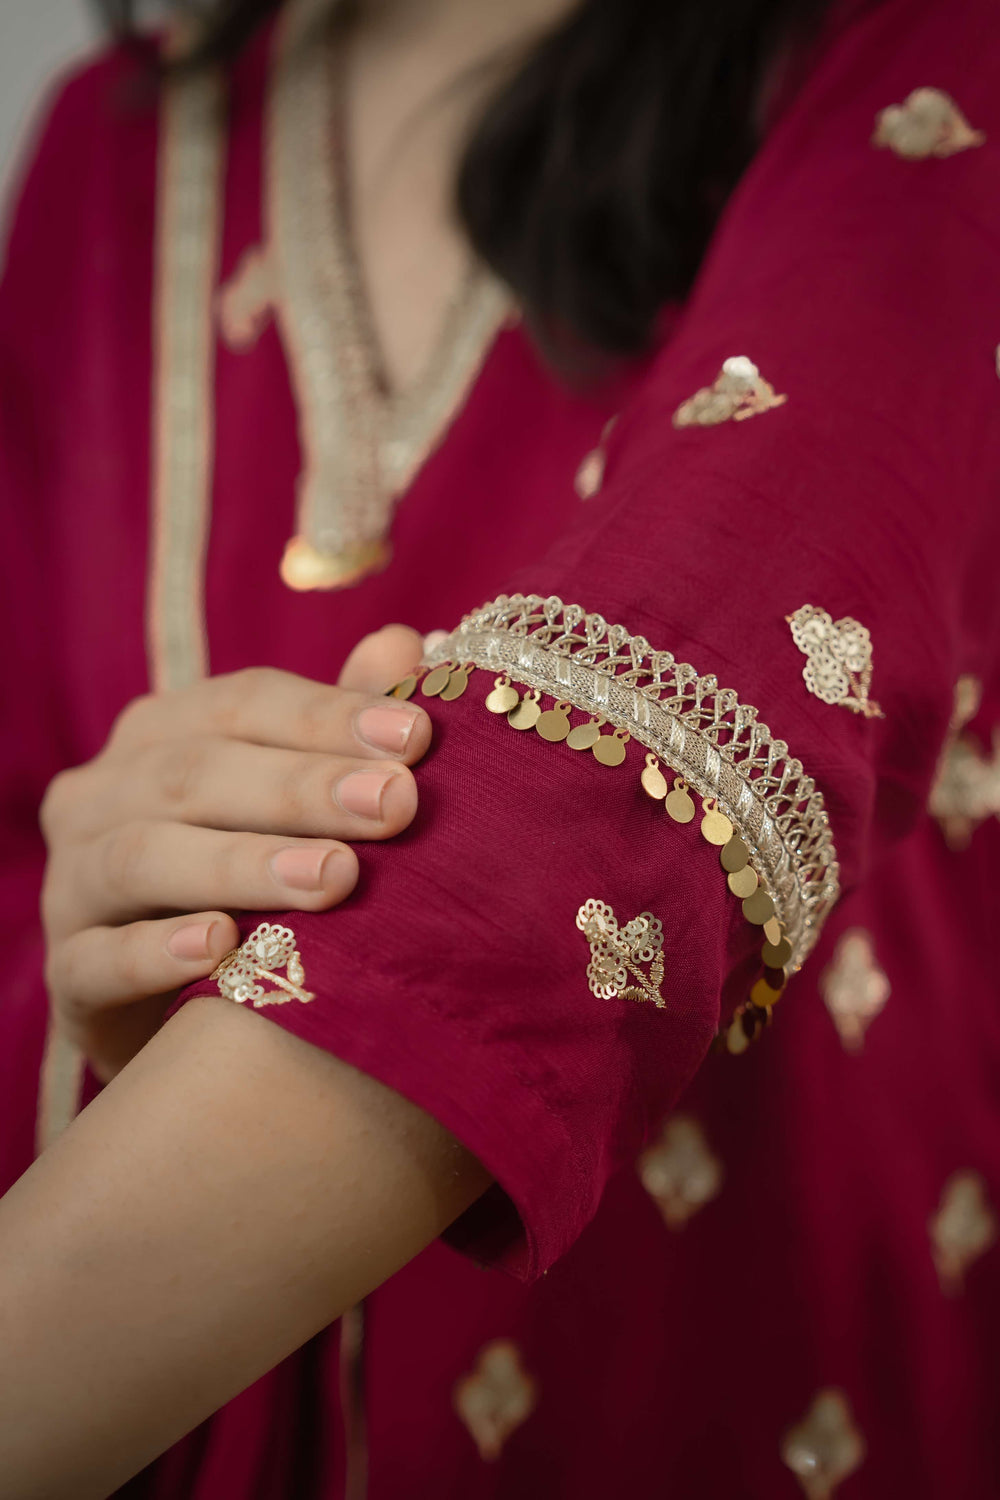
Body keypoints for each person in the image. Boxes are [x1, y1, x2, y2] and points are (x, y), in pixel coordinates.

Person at [1, 0, 998, 1494]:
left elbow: (656, 760)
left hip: (730, 1384)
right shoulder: (112, 154)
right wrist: (105, 927)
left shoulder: (931, 53)